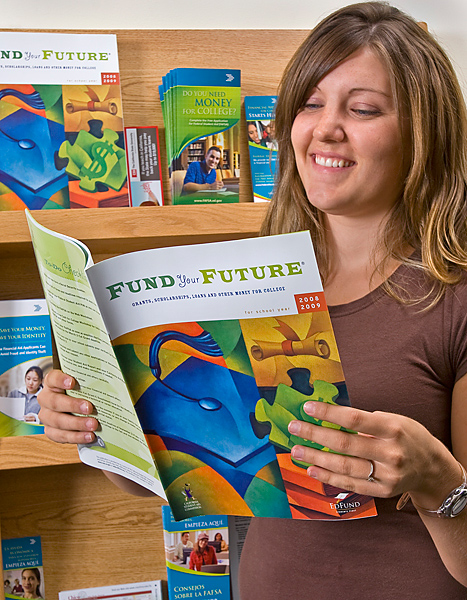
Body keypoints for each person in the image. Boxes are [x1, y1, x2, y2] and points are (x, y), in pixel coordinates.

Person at [36, 2, 467, 598]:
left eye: (362, 108)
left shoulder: (455, 298)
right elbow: (194, 474)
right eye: (310, 104)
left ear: (424, 131)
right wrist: (98, 429)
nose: (326, 129)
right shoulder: (252, 283)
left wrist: (437, 480)